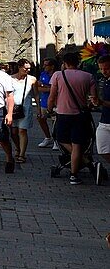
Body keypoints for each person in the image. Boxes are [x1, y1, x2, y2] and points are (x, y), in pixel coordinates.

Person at [47, 49, 96, 185]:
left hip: (63, 114)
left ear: (64, 63)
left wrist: (49, 109)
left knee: (60, 139)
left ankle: (83, 160)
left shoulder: (58, 75)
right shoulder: (88, 76)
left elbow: (52, 96)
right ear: (78, 63)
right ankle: (74, 175)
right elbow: (93, 99)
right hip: (81, 115)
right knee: (78, 143)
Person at [8, 59, 35, 164]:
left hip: (26, 108)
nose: (28, 70)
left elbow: (36, 94)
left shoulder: (32, 79)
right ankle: (18, 148)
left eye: (29, 68)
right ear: (19, 67)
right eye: (25, 68)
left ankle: (22, 154)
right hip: (13, 108)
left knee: (22, 131)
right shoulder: (10, 79)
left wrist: (38, 109)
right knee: (13, 132)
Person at [34, 57, 58, 148]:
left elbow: (57, 89)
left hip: (55, 102)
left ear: (52, 66)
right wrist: (49, 88)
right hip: (44, 101)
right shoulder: (43, 74)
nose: (44, 67)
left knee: (54, 121)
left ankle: (56, 139)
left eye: (46, 65)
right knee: (41, 118)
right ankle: (47, 137)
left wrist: (45, 87)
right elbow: (38, 87)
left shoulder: (57, 75)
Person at [95, 54, 110, 170]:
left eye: (106, 68)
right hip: (104, 120)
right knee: (102, 149)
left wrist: (101, 102)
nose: (103, 71)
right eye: (101, 69)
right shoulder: (103, 81)